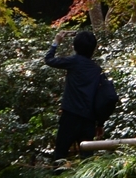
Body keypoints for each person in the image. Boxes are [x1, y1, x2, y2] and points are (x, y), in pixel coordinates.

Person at [43, 28, 119, 161]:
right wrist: (100, 123)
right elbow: (103, 97)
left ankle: (58, 176)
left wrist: (56, 42)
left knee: (60, 155)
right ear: (93, 49)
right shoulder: (97, 70)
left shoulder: (73, 62)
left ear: (75, 46)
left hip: (70, 115)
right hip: (88, 119)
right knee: (87, 159)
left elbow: (49, 59)